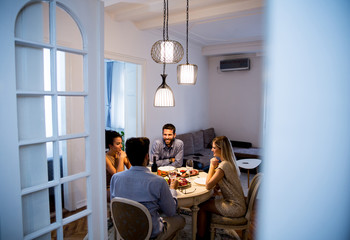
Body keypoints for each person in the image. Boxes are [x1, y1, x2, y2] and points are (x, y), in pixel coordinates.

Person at [110, 137, 185, 240]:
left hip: (125, 229)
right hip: (150, 234)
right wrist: (172, 189)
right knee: (180, 219)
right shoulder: (158, 181)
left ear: (127, 156)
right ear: (147, 157)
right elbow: (171, 211)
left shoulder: (115, 178)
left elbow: (116, 205)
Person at [196, 136, 246, 240]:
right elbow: (220, 185)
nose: (212, 150)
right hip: (240, 204)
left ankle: (200, 237)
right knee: (209, 200)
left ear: (221, 149)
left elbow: (208, 185)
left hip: (235, 207)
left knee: (202, 206)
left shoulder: (223, 166)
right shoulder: (229, 163)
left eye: (214, 147)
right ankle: (206, 232)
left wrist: (211, 165)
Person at [105, 130, 131, 201]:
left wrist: (128, 157)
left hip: (119, 186)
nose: (121, 146)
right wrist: (121, 159)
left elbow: (132, 169)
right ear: (110, 146)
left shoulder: (119, 154)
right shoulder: (105, 158)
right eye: (118, 144)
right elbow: (118, 177)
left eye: (121, 143)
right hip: (108, 189)